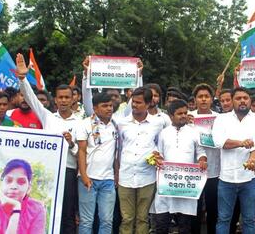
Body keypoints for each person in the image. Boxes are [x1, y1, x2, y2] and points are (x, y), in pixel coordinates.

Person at [15, 53, 82, 233]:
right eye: (60, 97)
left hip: (68, 172)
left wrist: (72, 144)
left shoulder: (80, 122)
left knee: (67, 213)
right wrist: (22, 78)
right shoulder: (48, 117)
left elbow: (80, 154)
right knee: (46, 211)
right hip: (48, 172)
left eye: (67, 97)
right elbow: (30, 97)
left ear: (73, 98)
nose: (63, 101)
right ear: (55, 99)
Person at [212, 87, 255, 234]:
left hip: (250, 179)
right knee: (223, 218)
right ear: (232, 101)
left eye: (245, 98)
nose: (242, 100)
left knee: (249, 219)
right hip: (226, 178)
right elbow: (219, 142)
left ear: (249, 100)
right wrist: (242, 143)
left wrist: (252, 159)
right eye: (238, 98)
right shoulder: (221, 119)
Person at [152, 99, 208, 234]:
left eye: (185, 113)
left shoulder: (194, 132)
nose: (183, 116)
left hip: (186, 186)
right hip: (167, 184)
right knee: (161, 224)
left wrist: (202, 160)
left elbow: (201, 152)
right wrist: (157, 158)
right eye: (179, 113)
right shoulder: (164, 133)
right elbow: (159, 153)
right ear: (171, 116)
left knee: (185, 226)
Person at [116, 87, 166, 234]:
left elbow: (161, 145)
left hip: (147, 178)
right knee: (126, 218)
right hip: (125, 177)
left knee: (143, 218)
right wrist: (116, 172)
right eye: (133, 102)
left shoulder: (159, 123)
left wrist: (158, 155)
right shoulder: (121, 123)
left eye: (138, 102)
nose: (134, 105)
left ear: (149, 103)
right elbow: (118, 149)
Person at [77, 92, 119, 234]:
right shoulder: (85, 124)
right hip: (88, 179)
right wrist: (84, 176)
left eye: (110, 106)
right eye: (105, 106)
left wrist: (116, 176)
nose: (109, 109)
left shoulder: (115, 124)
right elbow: (81, 151)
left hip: (108, 179)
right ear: (95, 108)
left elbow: (116, 153)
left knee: (107, 220)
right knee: (87, 221)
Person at [188, 83, 220, 234]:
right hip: (193, 171)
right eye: (200, 97)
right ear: (195, 99)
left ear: (211, 99)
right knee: (195, 209)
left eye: (206, 96)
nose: (203, 99)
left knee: (213, 208)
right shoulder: (187, 117)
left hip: (214, 170)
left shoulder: (220, 119)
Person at [0, 159, 46, 234]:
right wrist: (16, 209)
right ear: (1, 185)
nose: (14, 186)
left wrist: (16, 208)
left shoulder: (37, 210)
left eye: (21, 182)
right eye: (8, 180)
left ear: (29, 188)